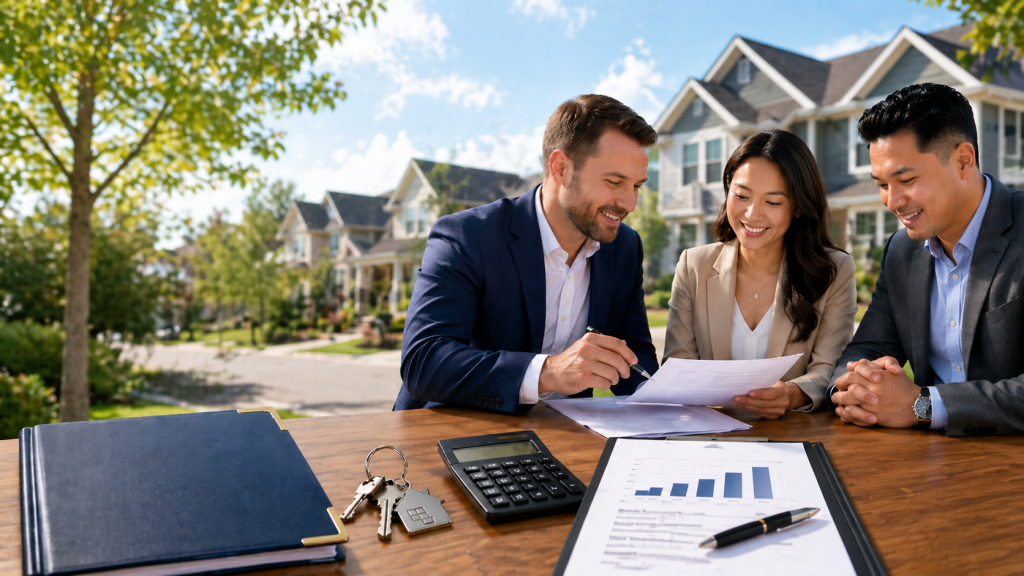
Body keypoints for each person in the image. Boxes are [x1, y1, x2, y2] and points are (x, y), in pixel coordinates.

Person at [394, 94, 659, 413]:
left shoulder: (625, 247)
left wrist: (675, 403)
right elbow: (424, 362)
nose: (629, 204)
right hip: (456, 436)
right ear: (560, 168)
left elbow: (636, 359)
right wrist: (549, 373)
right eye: (614, 181)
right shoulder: (468, 236)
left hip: (566, 439)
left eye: (637, 186)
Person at [828, 83, 1024, 436]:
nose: (892, 201)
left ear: (964, 160)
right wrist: (854, 388)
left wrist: (923, 405)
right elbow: (867, 347)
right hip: (924, 465)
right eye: (882, 185)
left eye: (907, 179)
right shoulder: (901, 251)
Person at [663, 130, 857, 419]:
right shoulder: (694, 265)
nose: (752, 215)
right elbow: (679, 366)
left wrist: (791, 394)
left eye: (773, 202)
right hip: (709, 435)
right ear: (728, 190)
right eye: (741, 196)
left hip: (793, 436)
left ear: (798, 208)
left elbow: (829, 368)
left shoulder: (834, 270)